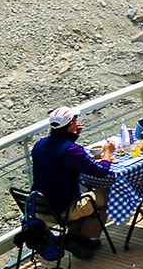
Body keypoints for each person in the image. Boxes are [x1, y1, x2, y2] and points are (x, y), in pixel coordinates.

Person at [31, 106, 115, 252]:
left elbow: (56, 163)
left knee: (85, 189)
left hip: (41, 206)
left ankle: (75, 233)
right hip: (63, 209)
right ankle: (84, 240)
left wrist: (72, 135)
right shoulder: (71, 151)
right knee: (109, 193)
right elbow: (101, 171)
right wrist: (107, 153)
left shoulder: (39, 145)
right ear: (71, 124)